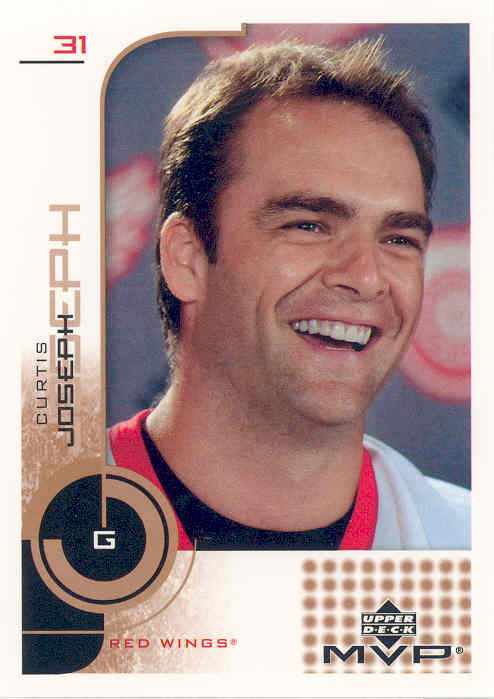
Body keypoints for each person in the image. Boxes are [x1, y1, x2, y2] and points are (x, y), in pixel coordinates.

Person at [108, 38, 470, 550]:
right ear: (187, 258)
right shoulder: (36, 536)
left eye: (397, 239)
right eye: (308, 226)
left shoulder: (468, 543)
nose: (366, 277)